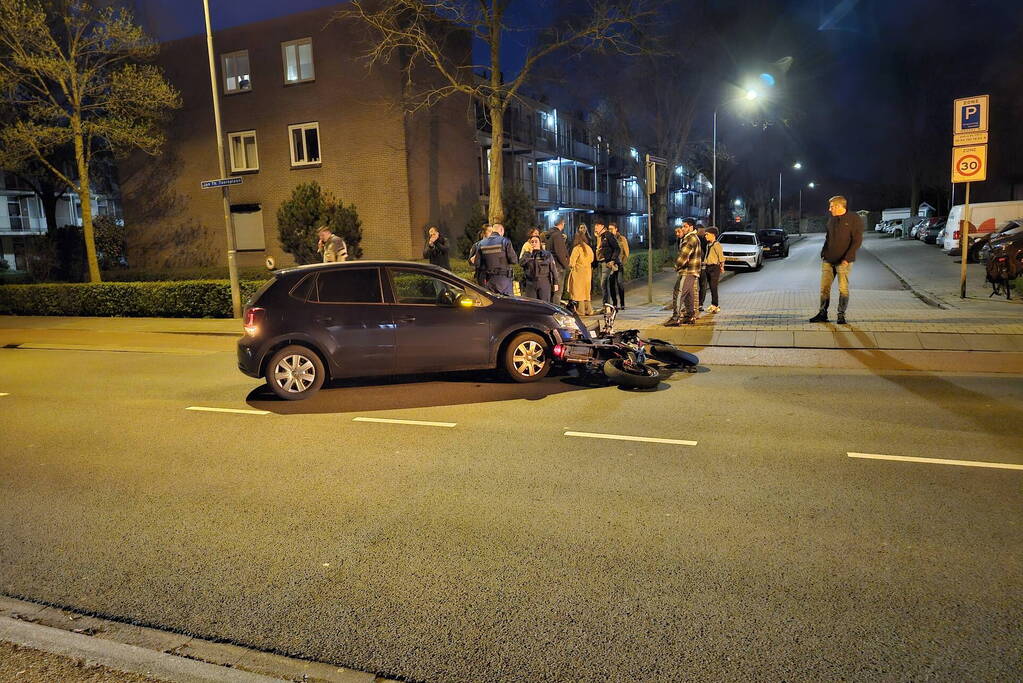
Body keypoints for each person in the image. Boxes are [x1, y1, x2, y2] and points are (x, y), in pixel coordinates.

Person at [810, 195, 863, 325]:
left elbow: (857, 240)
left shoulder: (854, 219)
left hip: (843, 261)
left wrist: (847, 258)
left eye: (832, 206)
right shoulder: (831, 220)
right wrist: (824, 253)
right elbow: (828, 238)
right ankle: (823, 313)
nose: (829, 209)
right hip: (828, 260)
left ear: (839, 206)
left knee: (843, 289)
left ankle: (841, 315)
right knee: (824, 288)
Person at [665, 218, 701, 326]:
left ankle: (675, 318)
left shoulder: (690, 239)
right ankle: (689, 316)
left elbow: (684, 256)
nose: (683, 228)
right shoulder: (695, 238)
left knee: (678, 292)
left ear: (691, 227)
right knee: (689, 294)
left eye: (685, 226)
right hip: (692, 271)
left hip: (687, 271)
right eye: (682, 226)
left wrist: (676, 266)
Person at [475, 222, 518, 295]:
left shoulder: (481, 243)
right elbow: (513, 260)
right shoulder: (505, 241)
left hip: (489, 281)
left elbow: (477, 263)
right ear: (501, 230)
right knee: (508, 304)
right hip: (505, 281)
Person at [520, 234, 559, 302]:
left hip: (544, 282)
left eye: (536, 241)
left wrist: (555, 283)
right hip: (531, 283)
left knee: (544, 304)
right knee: (532, 305)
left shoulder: (546, 254)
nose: (534, 243)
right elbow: (521, 263)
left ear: (539, 243)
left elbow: (553, 269)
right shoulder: (527, 254)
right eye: (532, 242)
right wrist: (529, 253)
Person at [568, 226, 595, 315]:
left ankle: (581, 310)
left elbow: (572, 262)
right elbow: (592, 259)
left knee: (579, 292)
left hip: (578, 273)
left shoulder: (577, 249)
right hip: (587, 272)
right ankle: (589, 310)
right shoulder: (588, 248)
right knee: (586, 292)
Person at [594, 223, 621, 308]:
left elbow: (617, 248)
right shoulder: (599, 237)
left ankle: (607, 305)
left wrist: (612, 260)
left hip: (607, 263)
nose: (595, 228)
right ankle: (606, 304)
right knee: (603, 285)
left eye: (597, 226)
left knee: (604, 283)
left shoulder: (608, 235)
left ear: (602, 226)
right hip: (600, 263)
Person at [664, 223, 688, 313]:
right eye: (676, 232)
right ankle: (686, 309)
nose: (677, 234)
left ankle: (677, 313)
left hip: (685, 269)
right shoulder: (680, 240)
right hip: (681, 268)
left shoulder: (686, 240)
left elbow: (684, 255)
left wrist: (678, 265)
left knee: (679, 290)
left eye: (679, 232)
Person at [701, 227, 724, 313]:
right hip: (708, 267)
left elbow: (721, 257)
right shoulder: (708, 245)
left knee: (714, 287)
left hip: (715, 267)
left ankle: (715, 305)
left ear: (713, 235)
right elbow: (707, 255)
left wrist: (722, 267)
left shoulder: (717, 245)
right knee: (710, 287)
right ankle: (713, 305)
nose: (705, 236)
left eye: (707, 234)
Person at [548, 218, 571, 303]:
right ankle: (556, 312)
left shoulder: (550, 234)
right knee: (557, 292)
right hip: (558, 267)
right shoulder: (557, 235)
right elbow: (560, 253)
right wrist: (566, 266)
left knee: (553, 291)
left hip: (552, 265)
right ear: (562, 224)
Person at [610, 223, 629, 310]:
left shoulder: (622, 239)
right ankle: (614, 303)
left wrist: (622, 262)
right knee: (611, 284)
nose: (610, 231)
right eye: (609, 229)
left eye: (612, 229)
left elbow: (626, 252)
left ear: (616, 229)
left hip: (619, 264)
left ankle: (622, 303)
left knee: (620, 283)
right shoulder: (608, 239)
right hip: (610, 265)